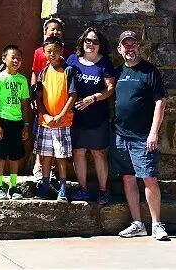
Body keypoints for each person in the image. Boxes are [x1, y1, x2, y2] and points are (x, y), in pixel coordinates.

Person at [112, 30, 169, 240]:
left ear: (138, 46)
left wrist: (153, 132)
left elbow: (160, 102)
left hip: (143, 136)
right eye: (125, 44)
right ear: (119, 49)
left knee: (149, 178)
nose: (130, 48)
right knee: (128, 178)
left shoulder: (149, 71)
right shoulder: (117, 72)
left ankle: (156, 225)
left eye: (133, 44)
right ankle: (138, 223)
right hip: (120, 135)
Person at [66, 27, 116, 204]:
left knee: (98, 153)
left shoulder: (104, 63)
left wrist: (93, 98)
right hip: (76, 116)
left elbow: (110, 88)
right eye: (88, 40)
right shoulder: (73, 60)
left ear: (100, 45)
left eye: (95, 41)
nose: (91, 44)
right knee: (78, 152)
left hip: (97, 116)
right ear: (82, 41)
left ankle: (103, 190)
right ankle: (83, 189)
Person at [33, 36, 77, 201]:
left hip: (62, 122)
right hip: (46, 122)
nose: (52, 54)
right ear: (44, 52)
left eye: (55, 51)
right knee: (46, 155)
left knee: (61, 156)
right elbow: (38, 97)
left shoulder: (68, 70)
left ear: (61, 51)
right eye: (49, 51)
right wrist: (45, 115)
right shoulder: (43, 72)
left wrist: (61, 115)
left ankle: (63, 187)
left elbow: (73, 95)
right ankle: (45, 185)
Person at [29, 18, 73, 182]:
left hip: (60, 100)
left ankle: (53, 171)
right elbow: (35, 73)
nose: (55, 32)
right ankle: (38, 166)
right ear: (45, 32)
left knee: (58, 139)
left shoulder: (68, 53)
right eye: (51, 29)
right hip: (43, 98)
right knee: (41, 133)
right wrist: (33, 94)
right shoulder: (39, 52)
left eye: (58, 29)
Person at [0, 45, 31, 200]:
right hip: (3, 121)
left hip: (17, 122)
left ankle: (13, 186)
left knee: (15, 156)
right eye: (13, 57)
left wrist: (26, 125)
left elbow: (24, 104)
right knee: (0, 156)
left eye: (19, 58)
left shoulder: (22, 80)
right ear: (4, 59)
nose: (16, 61)